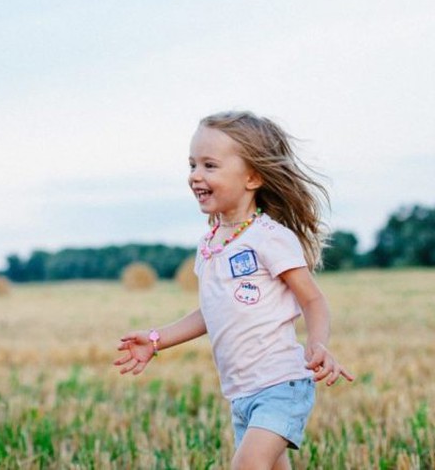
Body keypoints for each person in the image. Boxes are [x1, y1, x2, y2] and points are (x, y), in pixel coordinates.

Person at [114, 111, 354, 470]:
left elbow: (312, 298)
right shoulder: (210, 243)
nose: (196, 175)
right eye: (192, 164)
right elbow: (211, 310)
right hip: (241, 393)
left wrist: (317, 344)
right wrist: (156, 339)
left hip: (281, 385)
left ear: (253, 177)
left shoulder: (270, 238)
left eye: (210, 165)